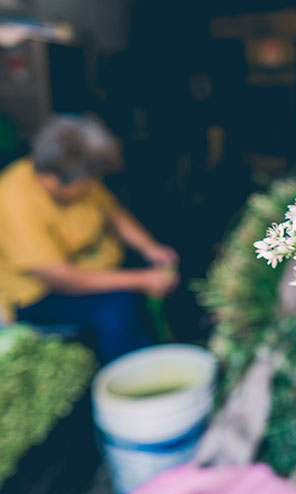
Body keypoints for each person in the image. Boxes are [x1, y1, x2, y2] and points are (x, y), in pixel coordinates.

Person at [0, 116, 179, 363]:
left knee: (140, 298)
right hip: (40, 295)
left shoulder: (75, 175)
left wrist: (150, 248)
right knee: (116, 308)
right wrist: (141, 279)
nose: (91, 186)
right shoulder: (14, 202)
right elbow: (60, 278)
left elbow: (113, 213)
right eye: (85, 182)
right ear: (52, 180)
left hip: (97, 266)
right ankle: (128, 376)